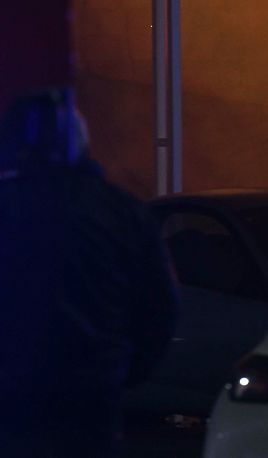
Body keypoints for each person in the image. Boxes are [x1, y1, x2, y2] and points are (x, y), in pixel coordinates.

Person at [0, 88, 179, 457]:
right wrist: (122, 371)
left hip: (13, 401)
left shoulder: (8, 207)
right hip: (91, 401)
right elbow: (161, 309)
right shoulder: (123, 213)